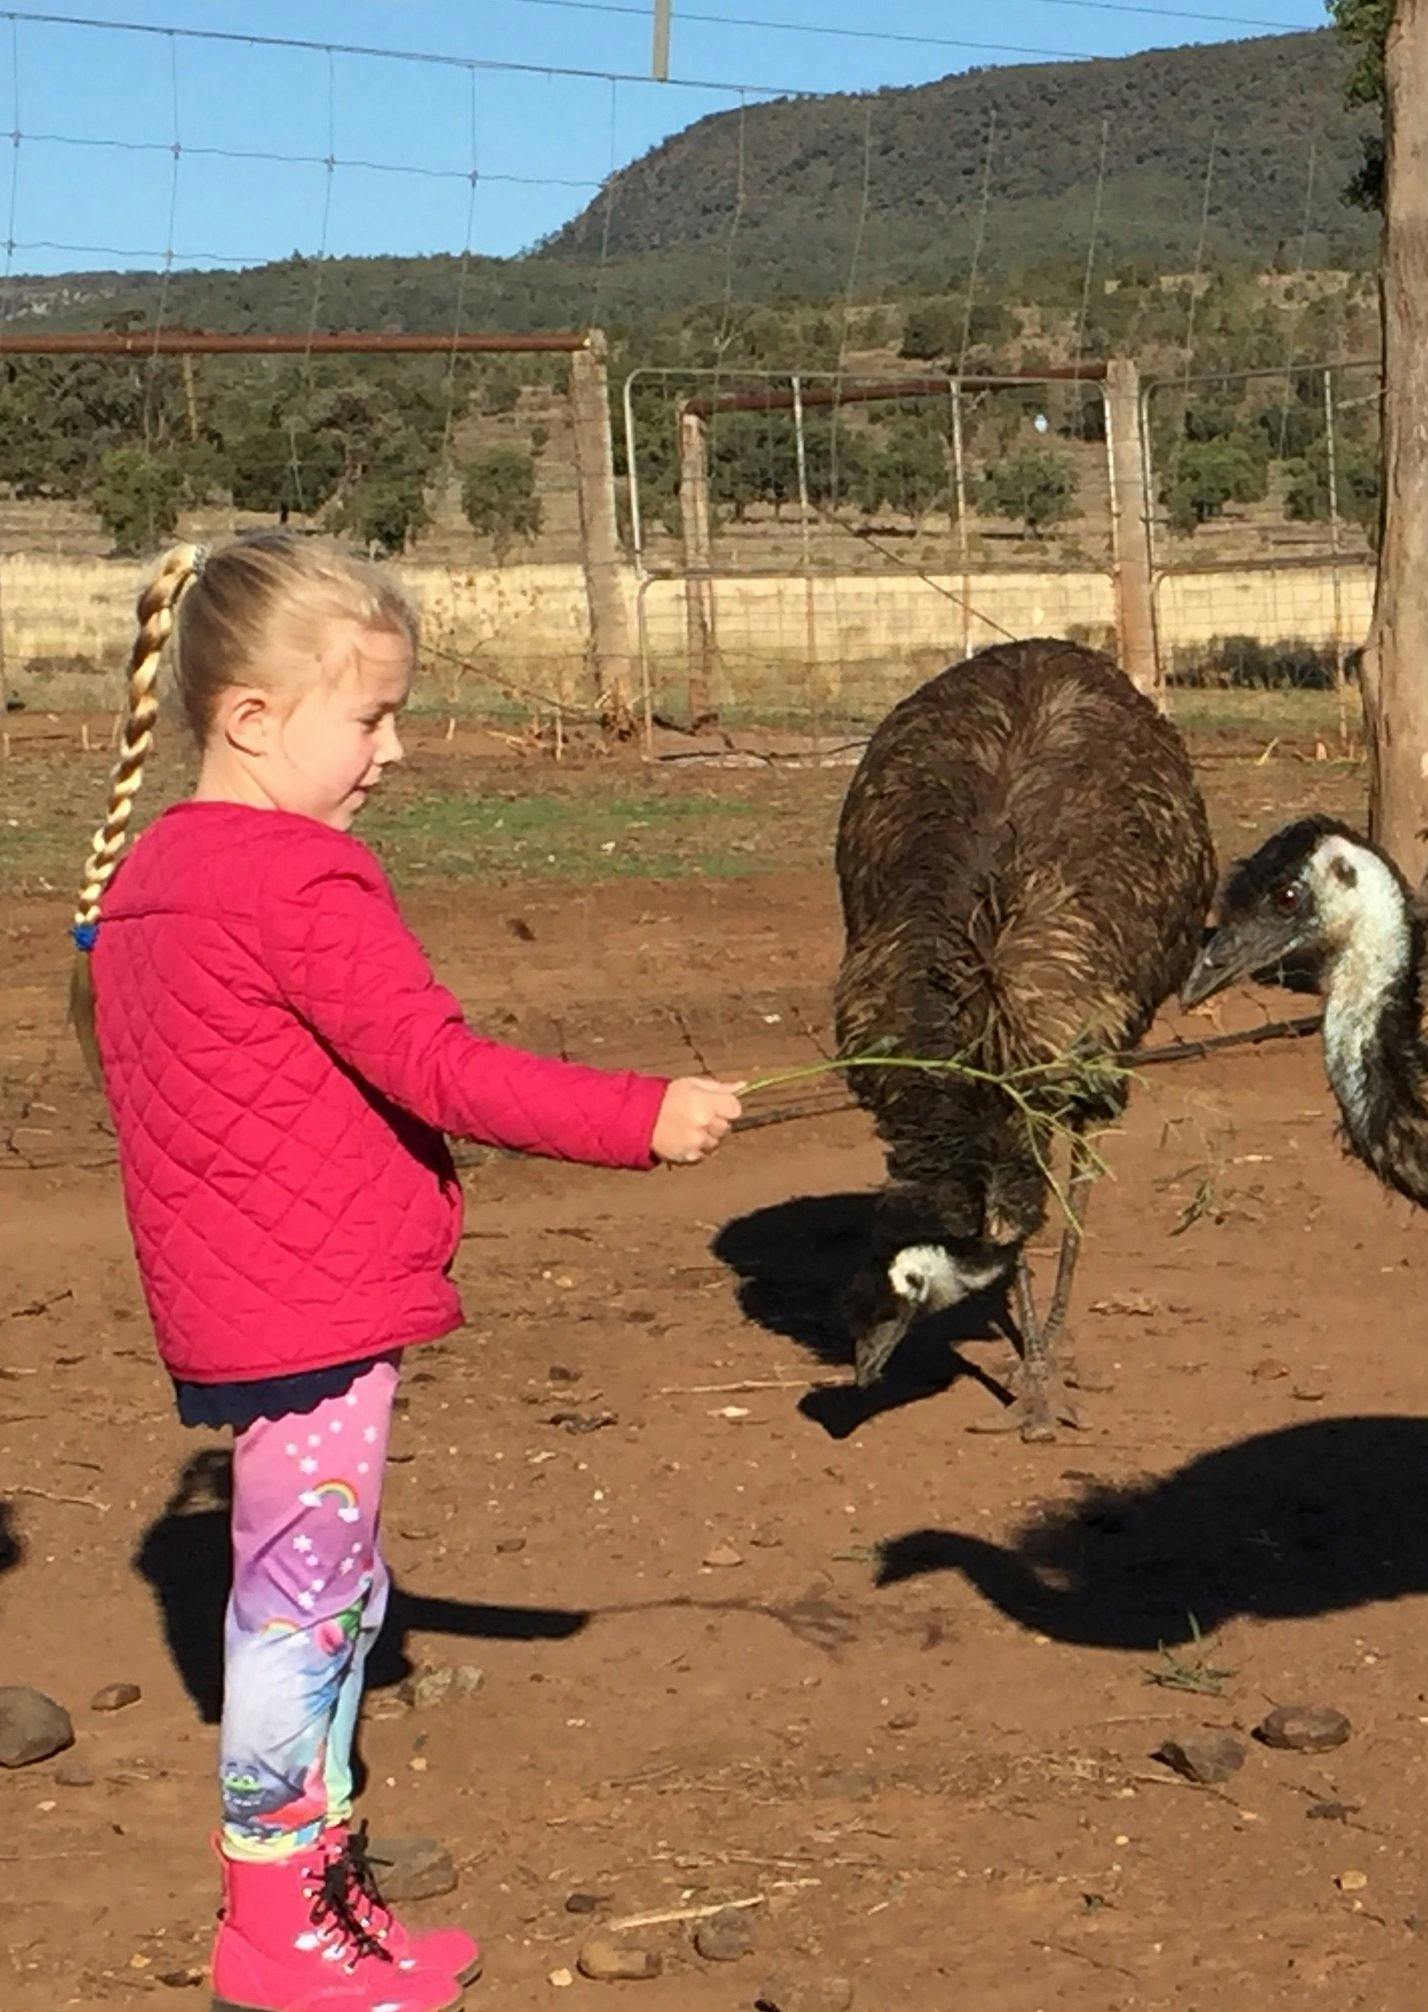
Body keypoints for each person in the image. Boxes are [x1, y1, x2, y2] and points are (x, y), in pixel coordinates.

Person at [68, 532, 744, 2012]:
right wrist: (642, 1115)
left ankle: (315, 1888)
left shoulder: (151, 874)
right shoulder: (301, 877)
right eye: (368, 716)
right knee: (302, 1615)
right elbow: (437, 1066)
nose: (392, 750)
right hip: (305, 1306)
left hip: (239, 1296)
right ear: (250, 718)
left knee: (323, 1594)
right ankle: (275, 1923)